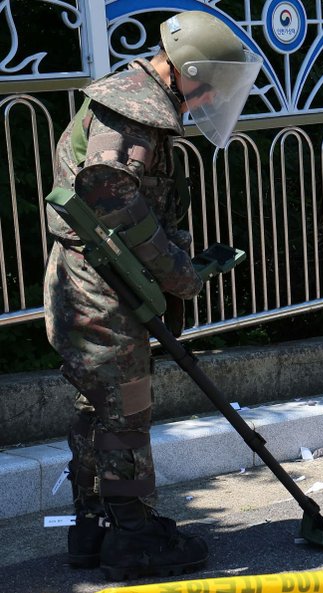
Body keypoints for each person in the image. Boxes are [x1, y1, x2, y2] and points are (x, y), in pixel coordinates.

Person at [43, 11, 261, 580]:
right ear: (185, 69)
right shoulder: (133, 111)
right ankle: (134, 538)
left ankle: (91, 529)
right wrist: (179, 275)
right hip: (100, 287)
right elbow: (108, 196)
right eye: (207, 82)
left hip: (95, 281)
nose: (209, 96)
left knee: (100, 408)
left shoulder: (137, 102)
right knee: (125, 412)